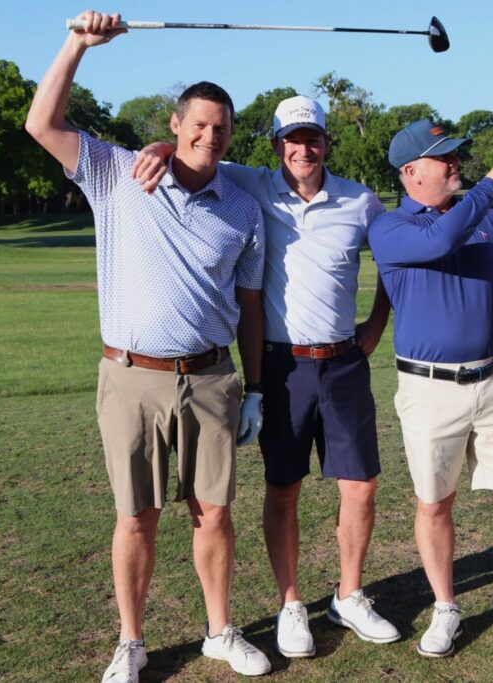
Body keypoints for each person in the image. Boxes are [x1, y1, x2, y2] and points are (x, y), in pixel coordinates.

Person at [25, 11, 271, 681]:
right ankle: (131, 641)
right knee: (137, 516)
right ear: (174, 124)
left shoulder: (242, 205)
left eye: (221, 128)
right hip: (132, 376)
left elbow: (249, 306)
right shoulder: (117, 172)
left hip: (214, 377)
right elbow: (41, 124)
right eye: (198, 125)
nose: (210, 136)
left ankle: (219, 628)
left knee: (214, 513)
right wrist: (76, 44)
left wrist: (256, 386)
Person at [134, 95, 398, 658]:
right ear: (276, 145)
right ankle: (291, 604)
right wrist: (158, 145)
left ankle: (348, 594)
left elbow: (394, 261)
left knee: (362, 485)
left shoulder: (359, 199)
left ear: (327, 142)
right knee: (284, 488)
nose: (303, 149)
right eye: (292, 139)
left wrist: (375, 325)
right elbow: (191, 153)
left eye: (313, 138)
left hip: (345, 362)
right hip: (282, 365)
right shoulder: (248, 185)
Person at [366, 119, 493, 661]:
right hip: (430, 391)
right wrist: (490, 185)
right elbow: (440, 239)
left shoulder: (487, 221)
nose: (455, 165)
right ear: (411, 172)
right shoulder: (390, 228)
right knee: (435, 503)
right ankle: (447, 606)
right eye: (443, 158)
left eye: (456, 156)